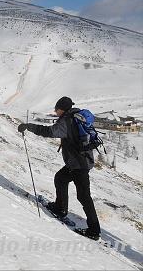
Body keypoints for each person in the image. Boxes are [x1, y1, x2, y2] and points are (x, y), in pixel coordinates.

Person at [18, 96, 101, 240]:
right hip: (78, 162)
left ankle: (94, 230)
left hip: (79, 164)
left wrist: (29, 126)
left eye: (56, 110)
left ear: (61, 109)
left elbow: (50, 132)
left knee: (84, 196)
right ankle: (60, 208)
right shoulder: (75, 116)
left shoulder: (67, 121)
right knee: (61, 178)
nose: (55, 112)